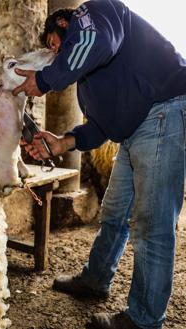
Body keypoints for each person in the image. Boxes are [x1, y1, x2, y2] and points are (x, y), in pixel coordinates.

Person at [12, 1, 186, 328]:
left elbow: (95, 42)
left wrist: (46, 79)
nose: (54, 52)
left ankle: (144, 320)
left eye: (53, 43)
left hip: (164, 110)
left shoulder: (95, 13)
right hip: (134, 129)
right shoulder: (91, 85)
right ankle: (96, 279)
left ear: (65, 24)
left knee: (152, 223)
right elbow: (102, 126)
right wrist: (63, 141)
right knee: (115, 212)